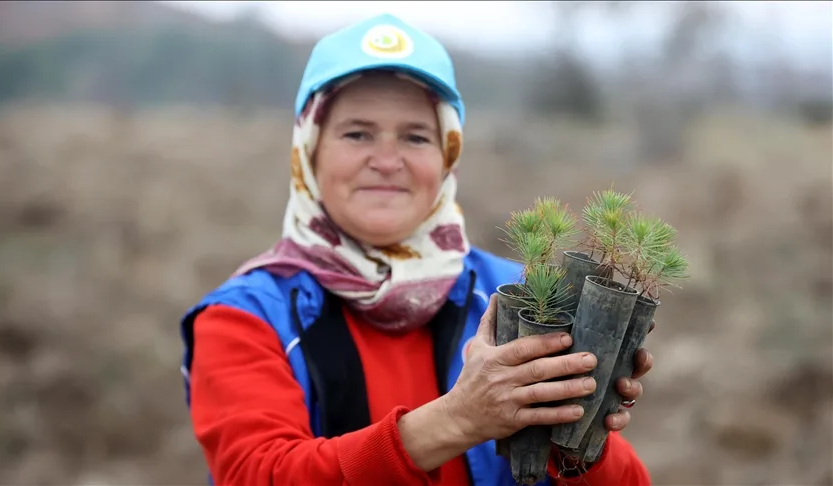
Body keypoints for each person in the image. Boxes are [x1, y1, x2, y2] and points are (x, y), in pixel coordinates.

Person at [179, 12, 653, 486]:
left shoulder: (517, 298)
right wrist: (460, 419)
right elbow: (257, 474)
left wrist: (580, 439)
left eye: (415, 136)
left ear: (446, 156)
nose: (386, 161)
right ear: (310, 149)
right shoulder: (247, 319)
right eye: (357, 133)